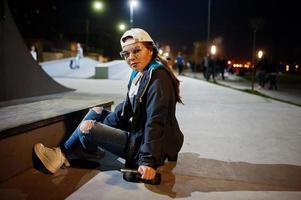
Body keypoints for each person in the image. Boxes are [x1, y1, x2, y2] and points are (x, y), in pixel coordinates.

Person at [34, 28, 184, 181]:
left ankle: (79, 149)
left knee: (88, 128)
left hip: (153, 146)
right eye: (126, 54)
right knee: (97, 112)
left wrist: (148, 161)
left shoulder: (158, 78)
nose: (131, 57)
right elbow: (125, 112)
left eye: (136, 51)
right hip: (140, 133)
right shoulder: (138, 73)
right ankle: (62, 154)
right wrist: (101, 124)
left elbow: (156, 121)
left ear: (150, 50)